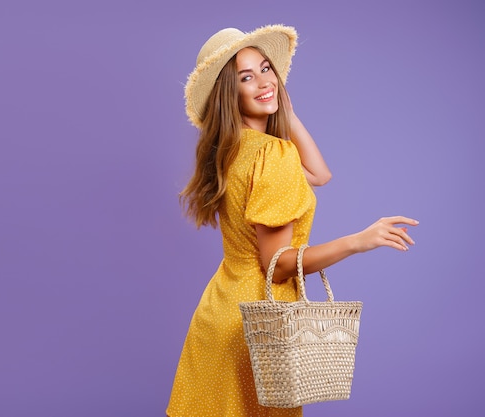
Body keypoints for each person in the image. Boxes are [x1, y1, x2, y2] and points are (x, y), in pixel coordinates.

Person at [166, 24, 419, 417]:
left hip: (219, 315)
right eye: (246, 77)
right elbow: (277, 264)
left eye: (267, 69)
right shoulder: (273, 156)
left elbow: (319, 174)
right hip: (260, 328)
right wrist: (360, 240)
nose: (264, 81)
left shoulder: (234, 151)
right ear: (228, 95)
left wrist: (283, 106)